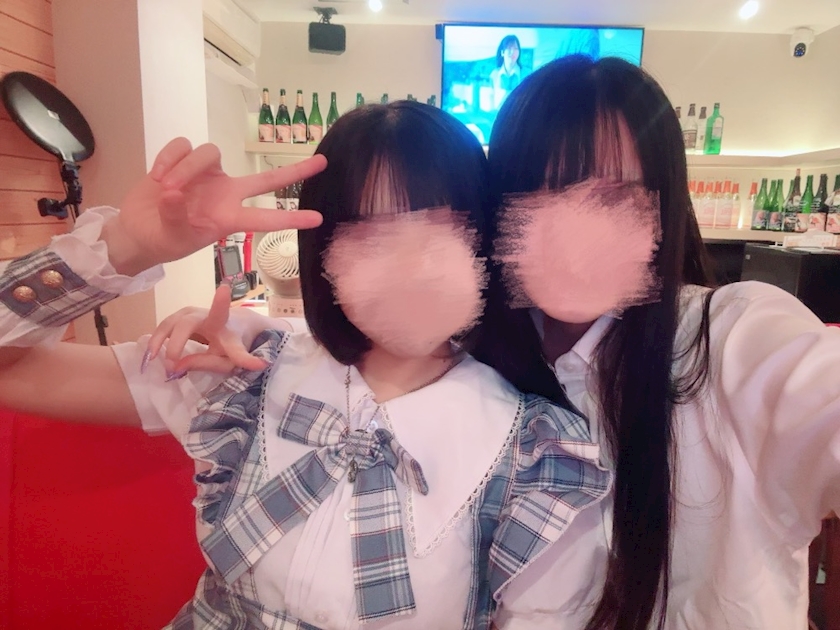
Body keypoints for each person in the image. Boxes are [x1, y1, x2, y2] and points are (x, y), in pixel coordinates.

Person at [157, 58, 840, 629]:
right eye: (543, 192)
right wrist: (207, 301)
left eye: (616, 197)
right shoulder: (486, 354)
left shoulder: (732, 338)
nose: (575, 229)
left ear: (664, 211)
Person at [0, 102, 611, 629]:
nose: (407, 265)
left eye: (440, 228)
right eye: (367, 232)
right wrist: (129, 247)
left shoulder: (537, 453)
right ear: (323, 251)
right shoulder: (240, 370)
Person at [490, 35, 522, 111]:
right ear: (502, 52)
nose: (512, 52)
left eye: (516, 48)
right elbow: (491, 101)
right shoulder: (494, 75)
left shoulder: (527, 74)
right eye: (509, 48)